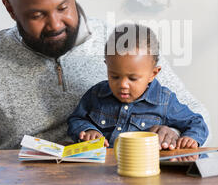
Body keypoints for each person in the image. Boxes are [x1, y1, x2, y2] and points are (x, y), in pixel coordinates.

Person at [0, 0, 210, 151]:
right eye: (36, 15)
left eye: (62, 7)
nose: (55, 25)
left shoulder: (122, 44)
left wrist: (171, 132)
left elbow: (196, 114)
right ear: (11, 10)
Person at [67, 24, 209, 148]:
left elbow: (196, 122)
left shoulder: (164, 101)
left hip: (144, 168)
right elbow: (76, 119)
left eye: (133, 78)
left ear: (153, 74)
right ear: (107, 66)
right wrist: (88, 130)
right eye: (114, 76)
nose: (123, 84)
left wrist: (191, 139)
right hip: (104, 170)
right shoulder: (96, 94)